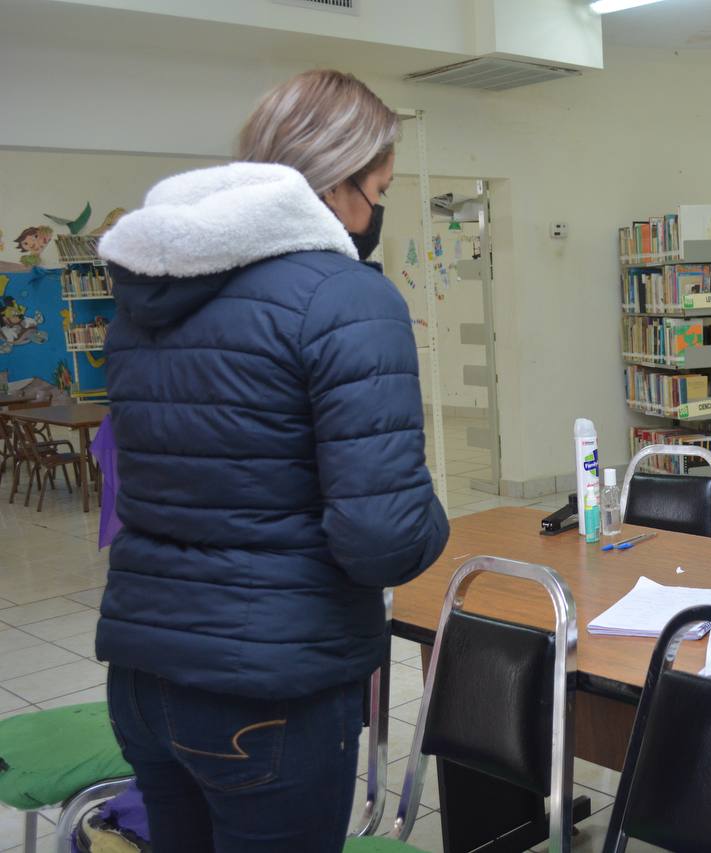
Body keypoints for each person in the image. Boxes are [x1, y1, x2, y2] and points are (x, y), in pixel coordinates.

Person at [95, 70, 449, 852]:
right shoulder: (346, 296)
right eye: (379, 188)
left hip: (142, 674)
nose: (378, 212)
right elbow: (383, 539)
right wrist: (429, 518)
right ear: (336, 182)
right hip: (271, 692)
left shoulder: (145, 297)